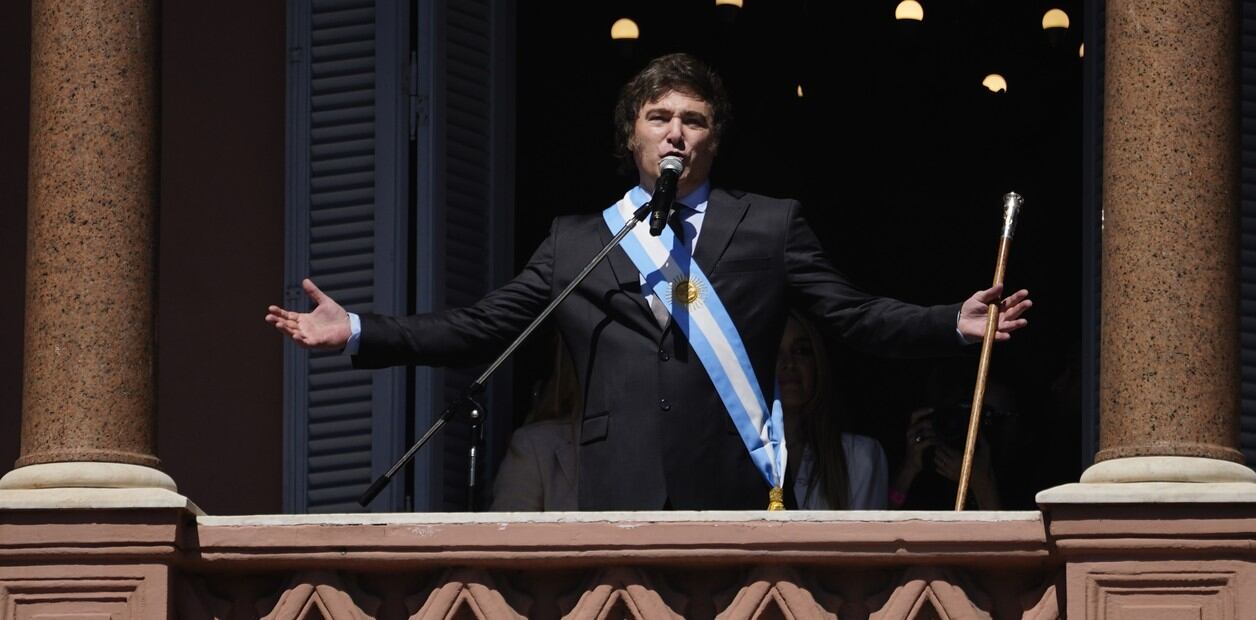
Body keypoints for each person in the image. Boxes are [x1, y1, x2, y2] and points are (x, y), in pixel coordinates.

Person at [267, 53, 1031, 511]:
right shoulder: (579, 241)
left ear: (714, 140)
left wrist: (948, 323)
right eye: (659, 116)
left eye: (694, 120)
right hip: (618, 483)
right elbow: (483, 326)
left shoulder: (767, 223)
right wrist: (360, 328)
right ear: (631, 134)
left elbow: (852, 315)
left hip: (731, 480)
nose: (676, 132)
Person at [777, 311, 888, 509]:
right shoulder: (740, 457)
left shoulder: (859, 457)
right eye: (776, 352)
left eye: (802, 351)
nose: (789, 364)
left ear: (817, 363)